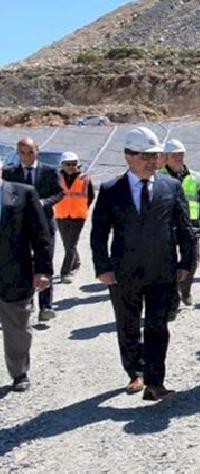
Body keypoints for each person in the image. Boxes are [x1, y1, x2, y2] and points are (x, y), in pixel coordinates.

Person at [90, 127, 196, 401]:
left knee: (158, 326)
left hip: (162, 271)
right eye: (145, 156)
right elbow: (99, 232)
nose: (151, 161)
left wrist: (186, 262)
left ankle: (155, 381)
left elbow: (185, 228)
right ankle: (134, 372)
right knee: (128, 324)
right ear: (128, 156)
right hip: (124, 273)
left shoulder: (170, 186)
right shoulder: (111, 190)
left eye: (155, 156)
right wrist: (103, 267)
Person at [0, 172, 53, 392]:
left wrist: (42, 270)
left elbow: (40, 235)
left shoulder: (23, 193)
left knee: (17, 328)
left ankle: (19, 372)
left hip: (14, 274)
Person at [2, 137, 64, 322]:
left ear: (37, 151)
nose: (27, 157)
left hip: (43, 224)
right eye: (22, 153)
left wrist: (43, 203)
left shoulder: (49, 171)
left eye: (30, 152)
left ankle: (46, 306)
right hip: (19, 228)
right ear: (17, 153)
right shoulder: (10, 172)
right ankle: (26, 303)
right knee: (22, 264)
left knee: (44, 261)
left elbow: (59, 192)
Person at [160, 138, 200, 310]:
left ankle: (185, 290)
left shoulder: (196, 177)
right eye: (174, 155)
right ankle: (173, 295)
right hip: (167, 228)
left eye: (181, 154)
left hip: (191, 227)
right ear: (166, 157)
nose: (178, 158)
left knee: (192, 261)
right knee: (168, 262)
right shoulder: (158, 177)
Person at [54, 152, 95, 284]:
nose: (72, 166)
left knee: (71, 244)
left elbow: (91, 196)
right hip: (61, 214)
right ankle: (76, 262)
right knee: (67, 244)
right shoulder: (56, 178)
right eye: (68, 164)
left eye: (74, 164)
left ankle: (66, 272)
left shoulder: (84, 178)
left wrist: (82, 208)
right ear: (62, 165)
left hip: (78, 215)